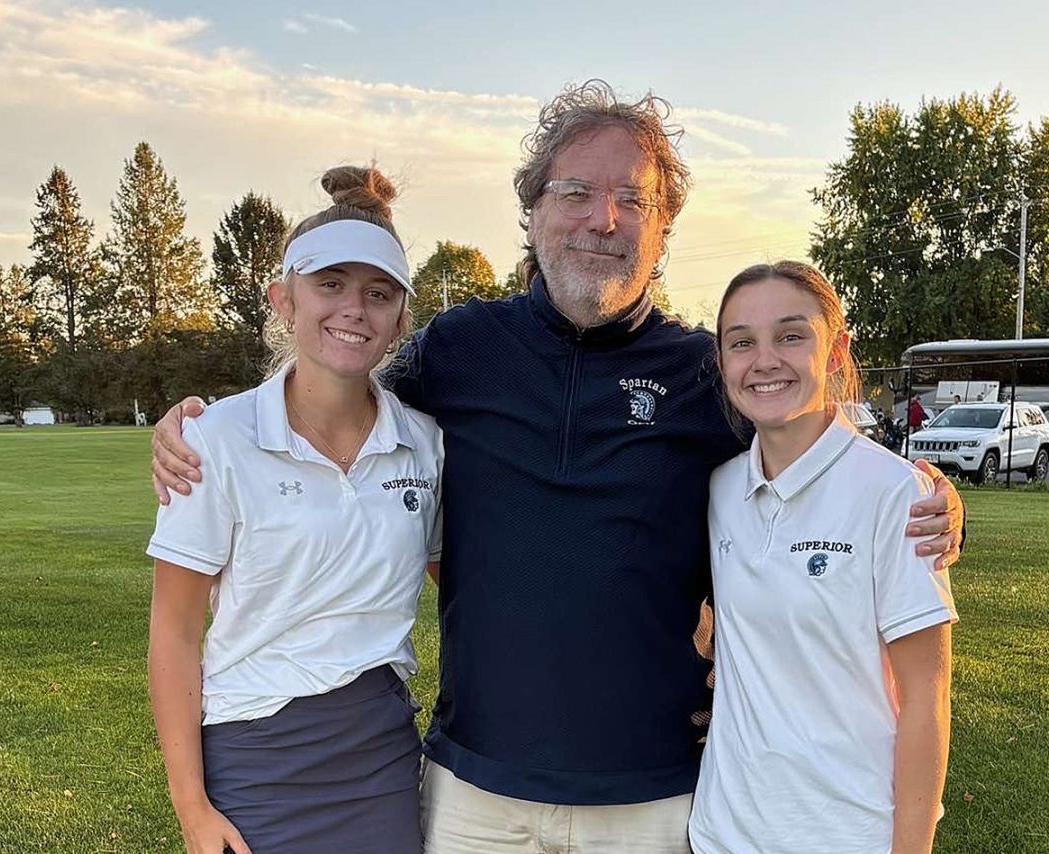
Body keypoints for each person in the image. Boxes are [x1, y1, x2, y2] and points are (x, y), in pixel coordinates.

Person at [151, 81, 964, 854]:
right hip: (475, 786)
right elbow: (333, 384)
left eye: (632, 200)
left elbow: (809, 438)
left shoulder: (700, 370)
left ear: (663, 227)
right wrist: (201, 422)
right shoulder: (459, 348)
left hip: (651, 795)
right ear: (534, 212)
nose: (602, 220)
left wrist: (926, 489)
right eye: (575, 192)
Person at [146, 166, 441, 854]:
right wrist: (191, 808)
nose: (353, 310)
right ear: (284, 299)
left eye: (377, 293)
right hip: (255, 756)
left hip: (380, 756)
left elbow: (457, 579)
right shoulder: (214, 439)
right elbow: (175, 633)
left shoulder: (424, 445)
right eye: (329, 285)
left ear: (401, 317)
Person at [690, 261, 956, 853]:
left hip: (845, 834)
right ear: (723, 362)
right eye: (742, 343)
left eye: (790, 335)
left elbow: (926, 699)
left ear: (835, 352)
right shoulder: (718, 489)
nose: (764, 360)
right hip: (722, 833)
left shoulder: (895, 493)